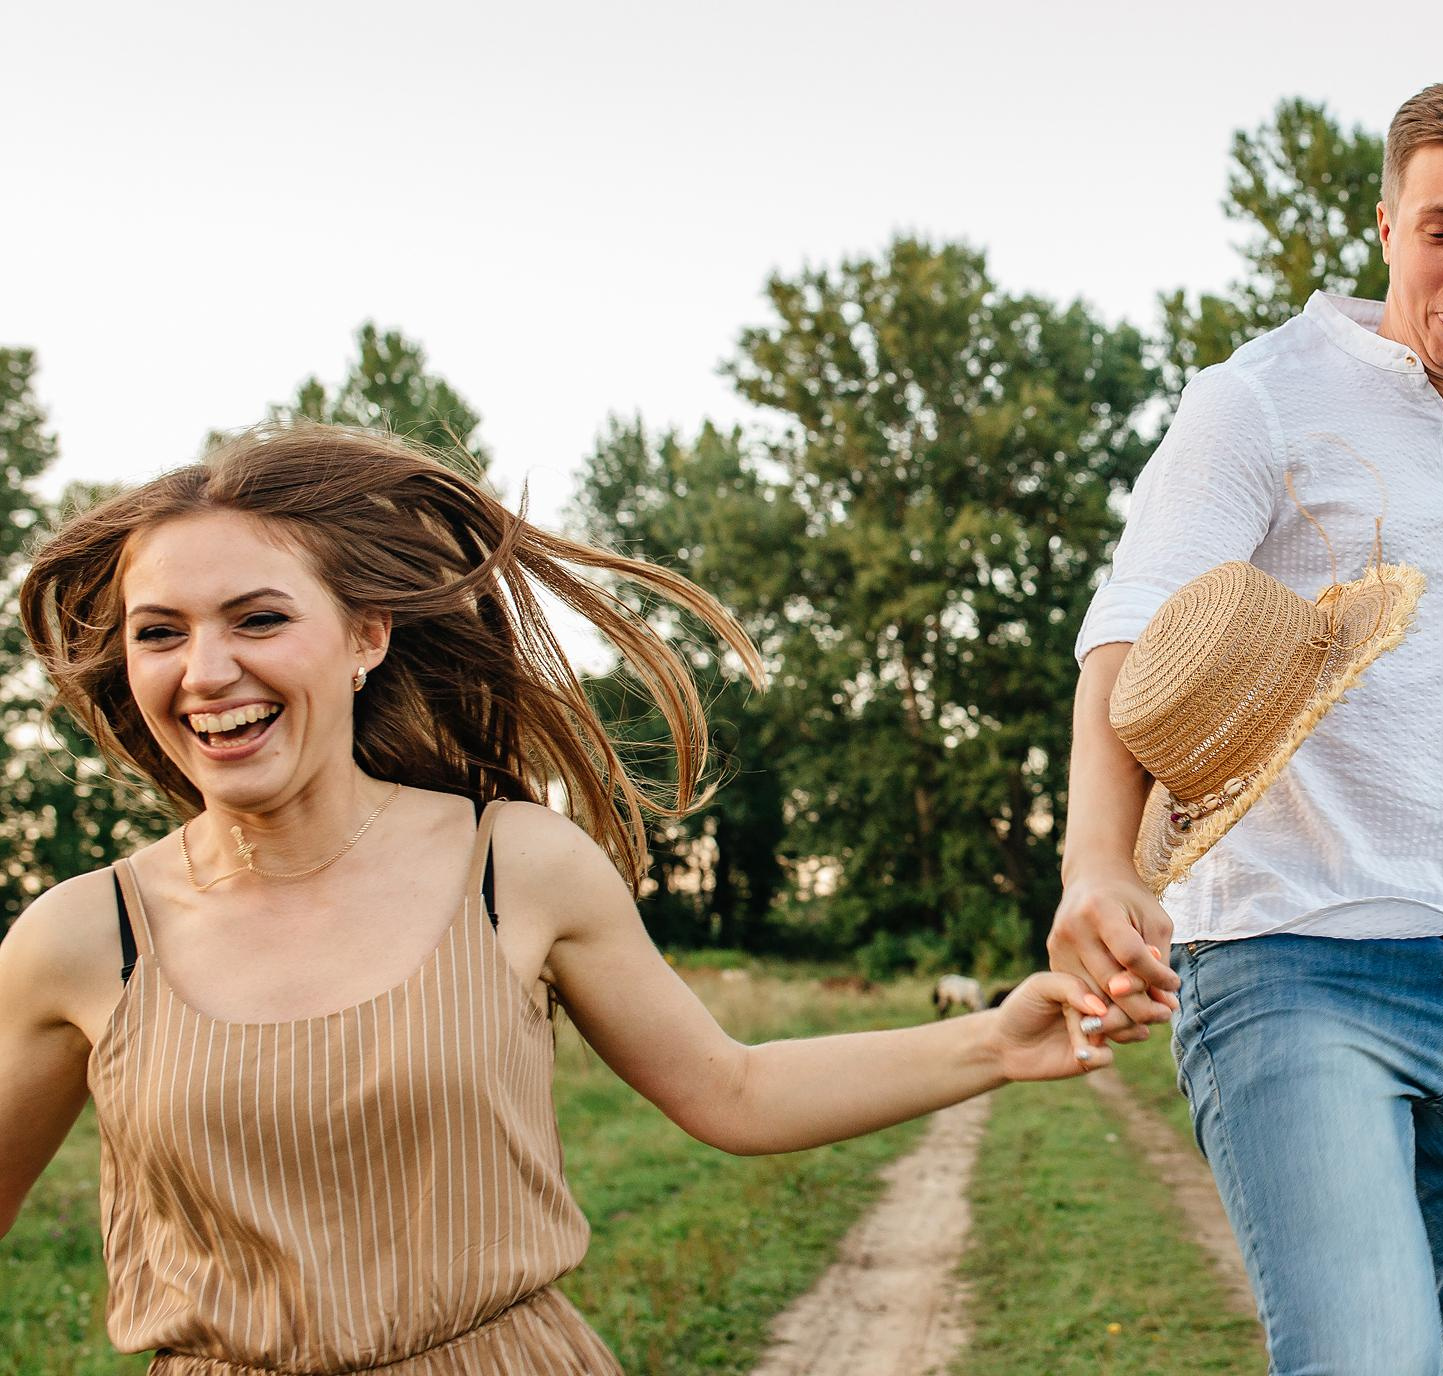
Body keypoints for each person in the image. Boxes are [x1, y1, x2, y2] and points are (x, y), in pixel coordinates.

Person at [0, 425, 1113, 1375]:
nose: (204, 670)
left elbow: (733, 1087)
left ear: (365, 637)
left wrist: (996, 1044)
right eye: (161, 632)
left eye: (256, 619)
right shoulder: (77, 939)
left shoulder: (512, 864)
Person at [1048, 78, 1443, 1375]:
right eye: (1441, 228)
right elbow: (1130, 635)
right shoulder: (1257, 401)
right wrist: (1095, 863)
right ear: (1386, 225)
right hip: (1285, 967)